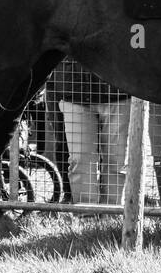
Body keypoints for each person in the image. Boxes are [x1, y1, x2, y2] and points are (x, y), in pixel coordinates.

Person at [49, 57, 131, 205]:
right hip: (75, 92)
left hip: (119, 93)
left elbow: (139, 42)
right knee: (80, 159)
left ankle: (111, 214)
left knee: (117, 161)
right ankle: (86, 215)